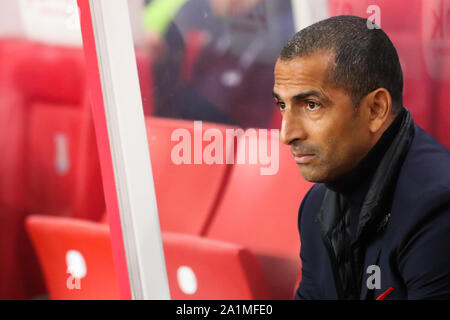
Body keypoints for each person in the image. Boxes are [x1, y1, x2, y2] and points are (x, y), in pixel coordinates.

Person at [272, 15, 450, 299]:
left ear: (376, 109)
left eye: (311, 105)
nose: (287, 134)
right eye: (282, 104)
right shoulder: (316, 206)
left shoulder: (437, 209)